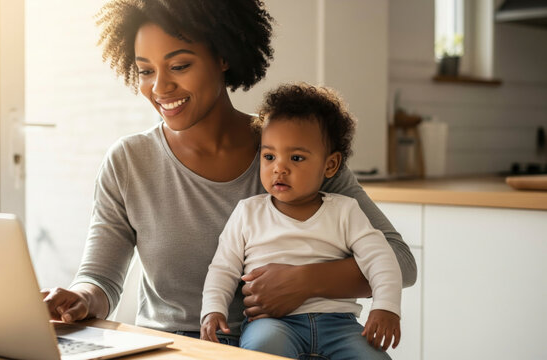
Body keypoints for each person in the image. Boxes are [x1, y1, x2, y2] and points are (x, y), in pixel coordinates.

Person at [42, 0, 416, 347]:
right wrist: (80, 297)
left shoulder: (292, 151)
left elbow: (400, 260)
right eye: (145, 71)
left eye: (179, 65)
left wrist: (304, 282)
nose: (159, 87)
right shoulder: (128, 161)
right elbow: (101, 281)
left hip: (281, 345)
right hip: (171, 348)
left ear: (222, 55)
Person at [200, 83, 401, 359]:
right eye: (269, 156)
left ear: (330, 165)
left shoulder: (346, 211)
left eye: (296, 157)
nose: (279, 168)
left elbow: (381, 258)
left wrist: (386, 307)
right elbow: (223, 268)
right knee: (262, 348)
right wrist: (213, 310)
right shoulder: (248, 212)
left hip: (340, 326)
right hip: (271, 323)